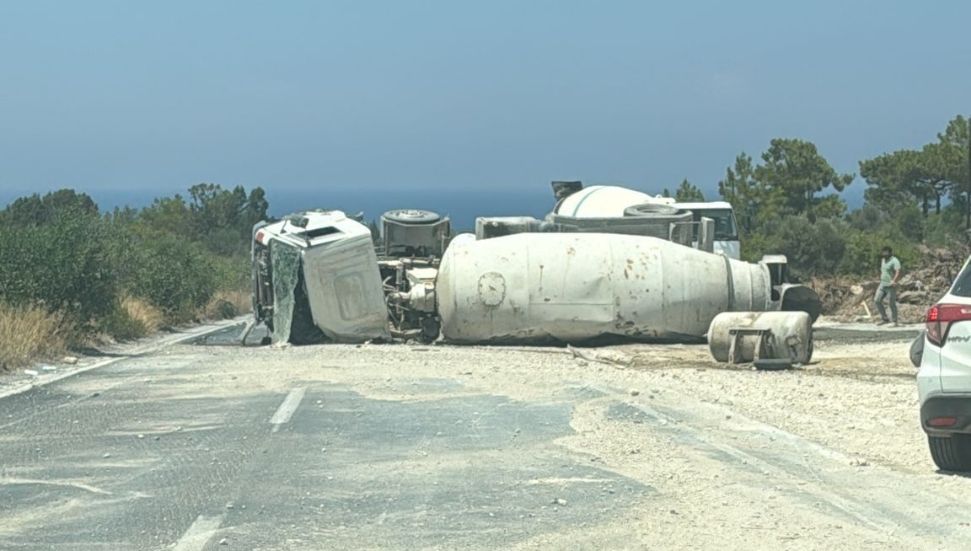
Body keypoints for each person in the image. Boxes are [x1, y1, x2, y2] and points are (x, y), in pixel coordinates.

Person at [875, 246, 902, 326]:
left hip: (890, 285)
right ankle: (885, 318)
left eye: (886, 252)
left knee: (891, 303)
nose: (884, 254)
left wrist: (894, 281)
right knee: (877, 300)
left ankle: (895, 321)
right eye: (883, 252)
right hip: (882, 284)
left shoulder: (894, 260)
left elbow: (898, 271)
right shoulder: (883, 260)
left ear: (890, 252)